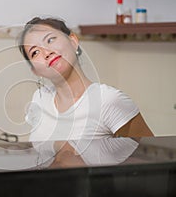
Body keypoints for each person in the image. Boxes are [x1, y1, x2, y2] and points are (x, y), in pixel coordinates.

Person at [17, 17, 153, 167]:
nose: (46, 52)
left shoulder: (108, 100)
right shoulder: (39, 99)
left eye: (50, 40)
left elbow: (152, 159)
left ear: (73, 40)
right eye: (35, 52)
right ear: (35, 70)